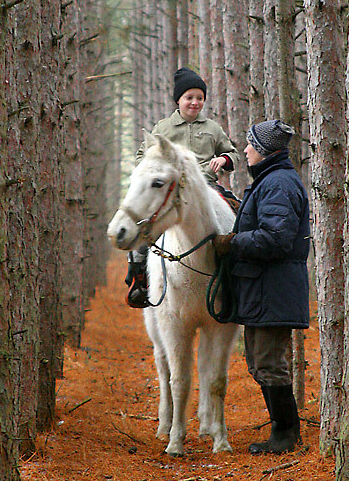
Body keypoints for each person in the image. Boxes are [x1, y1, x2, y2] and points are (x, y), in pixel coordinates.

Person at [212, 119, 310, 454]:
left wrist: (234, 242)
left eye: (251, 144)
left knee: (268, 364)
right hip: (266, 290)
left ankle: (285, 436)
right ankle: (283, 433)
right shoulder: (271, 181)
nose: (245, 149)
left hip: (274, 290)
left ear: (266, 150)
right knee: (259, 362)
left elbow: (276, 239)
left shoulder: (278, 183)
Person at [126, 67, 240, 308]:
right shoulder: (163, 129)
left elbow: (232, 153)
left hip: (208, 188)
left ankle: (233, 284)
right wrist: (153, 171)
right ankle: (140, 282)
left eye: (200, 98)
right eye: (190, 97)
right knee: (145, 230)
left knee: (240, 217)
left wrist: (225, 159)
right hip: (171, 193)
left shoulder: (212, 128)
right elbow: (141, 156)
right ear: (178, 100)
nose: (195, 102)